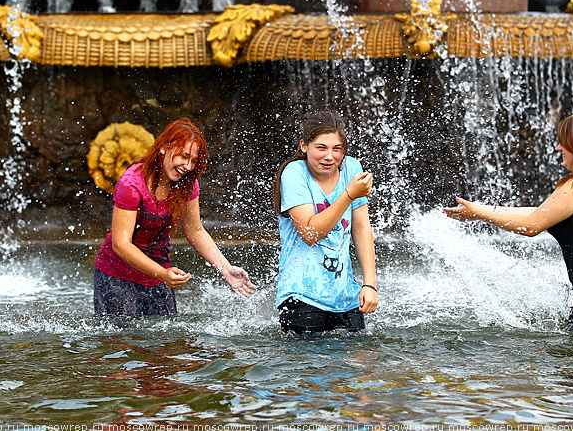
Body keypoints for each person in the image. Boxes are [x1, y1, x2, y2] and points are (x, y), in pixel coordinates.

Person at [443, 113, 573, 333]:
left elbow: (531, 226)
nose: (559, 147)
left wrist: (481, 215)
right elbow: (541, 213)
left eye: (564, 142)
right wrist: (480, 210)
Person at [93, 117, 255, 318]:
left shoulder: (188, 184)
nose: (187, 166)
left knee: (165, 346)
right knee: (124, 342)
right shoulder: (132, 183)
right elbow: (120, 244)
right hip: (116, 275)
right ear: (163, 148)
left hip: (160, 275)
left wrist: (225, 268)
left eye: (194, 161)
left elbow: (195, 230)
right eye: (183, 156)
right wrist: (161, 273)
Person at [272, 111, 378, 333]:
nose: (329, 156)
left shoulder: (351, 169)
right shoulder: (294, 174)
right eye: (321, 147)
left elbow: (361, 227)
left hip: (346, 296)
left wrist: (370, 284)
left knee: (360, 365)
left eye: (336, 149)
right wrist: (349, 194)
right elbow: (310, 233)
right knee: (312, 368)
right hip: (302, 296)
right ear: (304, 146)